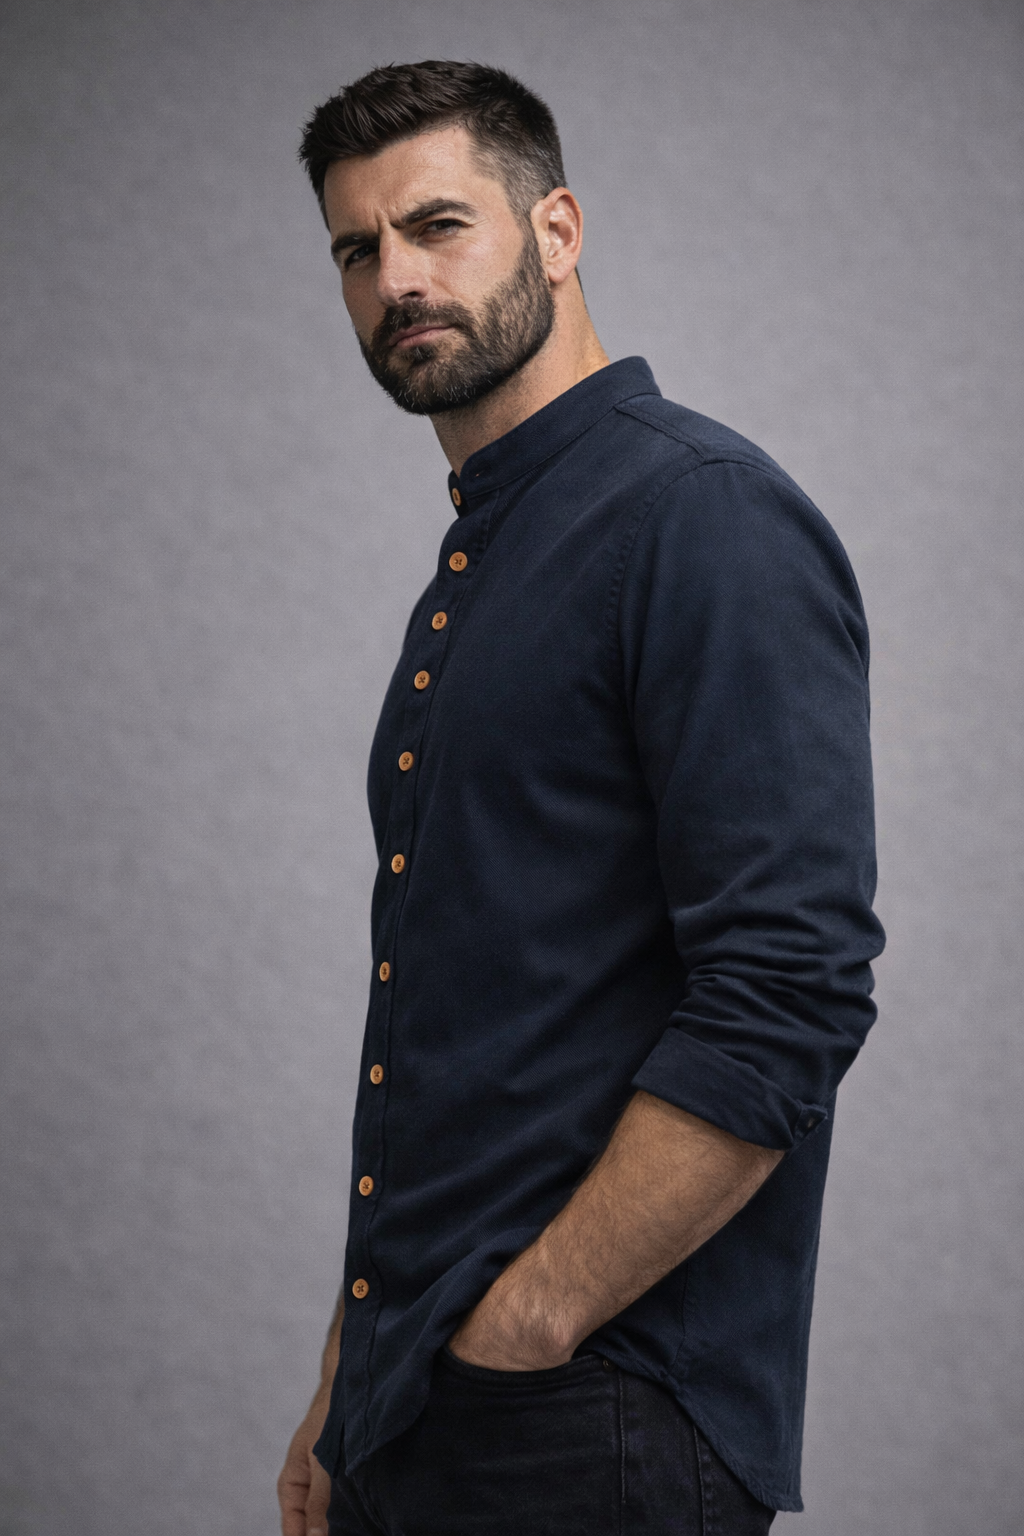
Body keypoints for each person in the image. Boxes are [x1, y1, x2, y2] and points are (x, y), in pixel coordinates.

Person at [277, 60, 885, 1536]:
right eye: (357, 249)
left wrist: (535, 1321)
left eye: (438, 225)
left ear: (556, 232)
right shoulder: (491, 551)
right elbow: (467, 1028)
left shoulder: (700, 516)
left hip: (594, 1407)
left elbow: (791, 987)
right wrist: (354, 1377)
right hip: (424, 1403)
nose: (395, 280)